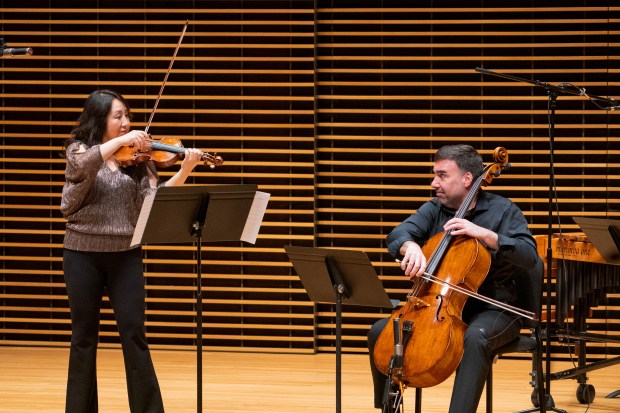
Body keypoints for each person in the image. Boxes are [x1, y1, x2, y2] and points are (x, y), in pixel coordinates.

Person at [60, 89, 204, 413]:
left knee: (134, 333)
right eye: (118, 116)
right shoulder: (79, 150)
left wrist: (184, 170)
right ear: (100, 120)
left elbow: (154, 201)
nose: (126, 123)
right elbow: (86, 162)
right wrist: (119, 144)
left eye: (127, 116)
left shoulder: (138, 159)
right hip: (82, 255)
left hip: (126, 255)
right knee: (84, 338)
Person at [367, 144, 539, 413]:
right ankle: (388, 408)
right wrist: (409, 246)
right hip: (438, 306)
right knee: (381, 331)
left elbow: (529, 255)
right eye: (435, 175)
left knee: (475, 338)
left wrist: (485, 235)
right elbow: (398, 233)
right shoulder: (434, 209)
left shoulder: (503, 211)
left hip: (493, 309)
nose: (434, 183)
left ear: (467, 179)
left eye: (442, 175)